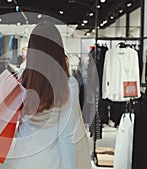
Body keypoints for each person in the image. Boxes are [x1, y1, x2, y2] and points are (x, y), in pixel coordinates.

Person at [10, 21, 92, 169]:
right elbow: (67, 136)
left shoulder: (21, 78)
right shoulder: (67, 84)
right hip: (51, 162)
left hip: (22, 159)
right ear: (58, 49)